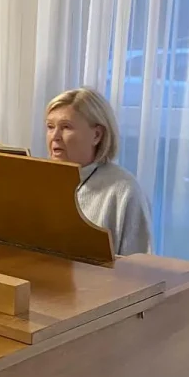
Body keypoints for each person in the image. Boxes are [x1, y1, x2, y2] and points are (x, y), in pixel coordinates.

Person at [45, 87, 152, 256]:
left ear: (97, 135)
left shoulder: (124, 190)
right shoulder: (39, 179)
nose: (55, 136)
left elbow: (139, 269)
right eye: (50, 127)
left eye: (66, 127)